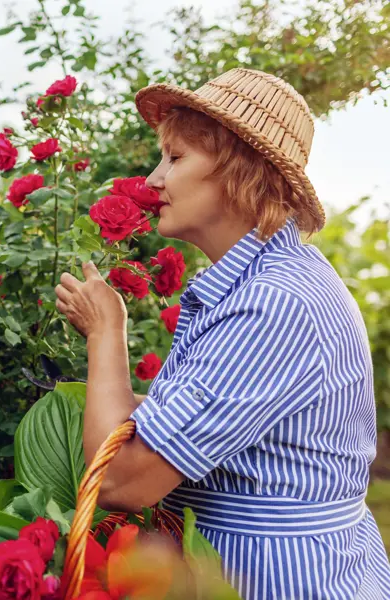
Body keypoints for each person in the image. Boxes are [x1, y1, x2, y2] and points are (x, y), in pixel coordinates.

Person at [54, 68, 390, 598]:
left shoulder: (273, 304)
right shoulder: (261, 279)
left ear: (242, 171)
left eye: (176, 157)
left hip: (277, 580)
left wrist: (106, 333)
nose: (152, 180)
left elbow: (122, 481)